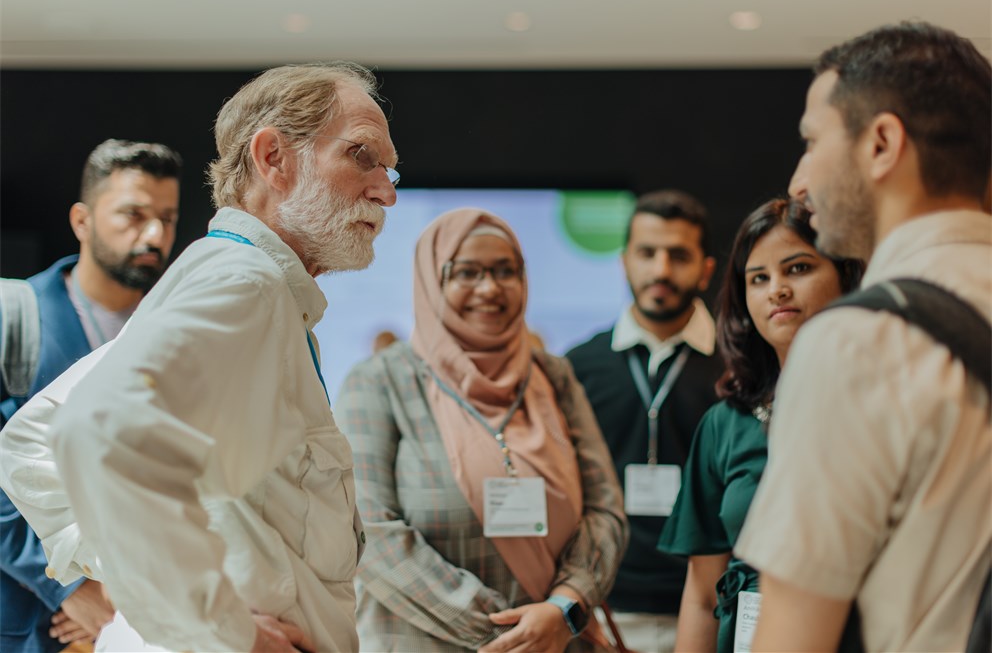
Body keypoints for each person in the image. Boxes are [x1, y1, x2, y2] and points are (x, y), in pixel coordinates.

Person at [1, 61, 399, 652]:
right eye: (362, 156)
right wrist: (221, 629)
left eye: (390, 169)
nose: (386, 191)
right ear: (274, 158)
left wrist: (149, 592)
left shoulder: (243, 277)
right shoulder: (246, 282)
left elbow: (29, 442)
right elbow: (95, 433)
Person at [734, 21, 991, 652]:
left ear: (881, 143)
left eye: (812, 141)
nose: (798, 182)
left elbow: (794, 637)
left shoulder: (857, 342)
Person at [335, 208, 628, 652]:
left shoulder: (553, 376)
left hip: (554, 637)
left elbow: (605, 509)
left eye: (505, 271)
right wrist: (508, 634)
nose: (490, 288)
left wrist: (564, 606)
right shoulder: (380, 381)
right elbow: (370, 531)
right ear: (432, 280)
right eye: (467, 272)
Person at [656, 198, 863, 653]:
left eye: (798, 268)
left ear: (845, 276)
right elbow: (701, 596)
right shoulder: (725, 424)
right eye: (759, 278)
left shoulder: (882, 406)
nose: (777, 290)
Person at [0, 138, 182, 653]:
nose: (154, 234)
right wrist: (71, 585)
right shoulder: (15, 316)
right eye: (133, 215)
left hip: (145, 616)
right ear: (82, 221)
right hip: (31, 620)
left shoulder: (180, 331)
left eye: (167, 219)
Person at [566, 189, 723, 652]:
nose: (661, 270)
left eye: (679, 256)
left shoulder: (739, 368)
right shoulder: (578, 367)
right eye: (647, 253)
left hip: (710, 607)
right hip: (602, 607)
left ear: (706, 269)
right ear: (624, 262)